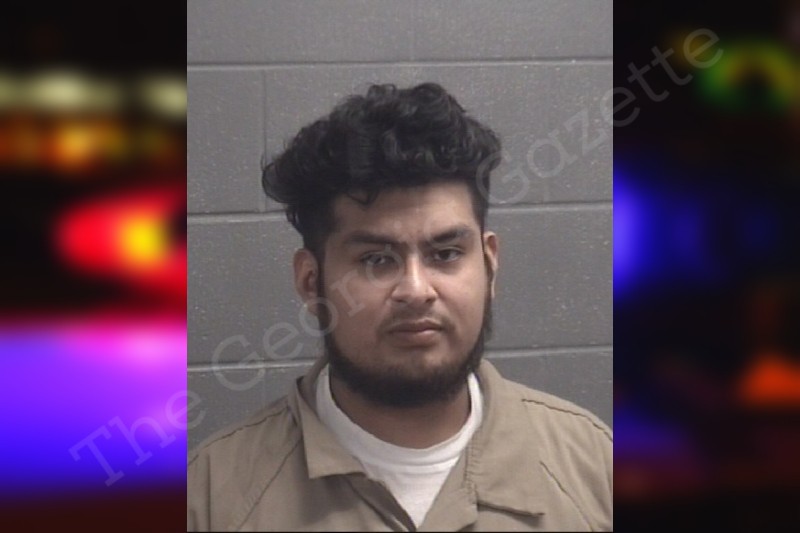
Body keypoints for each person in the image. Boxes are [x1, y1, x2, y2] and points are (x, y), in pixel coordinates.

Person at [187, 82, 612, 531]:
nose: (416, 290)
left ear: (489, 266)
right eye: (376, 260)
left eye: (445, 254)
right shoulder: (211, 499)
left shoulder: (594, 469)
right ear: (311, 283)